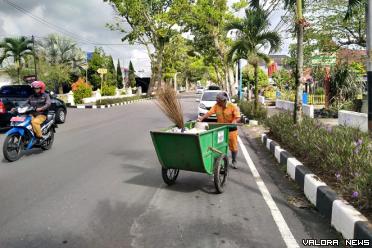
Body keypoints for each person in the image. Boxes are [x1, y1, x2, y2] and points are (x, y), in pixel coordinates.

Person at [197, 92, 241, 169]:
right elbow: (209, 112)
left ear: (224, 101)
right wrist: (201, 118)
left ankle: (234, 160)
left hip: (231, 129)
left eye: (219, 101)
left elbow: (238, 117)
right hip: (221, 129)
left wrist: (233, 122)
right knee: (219, 145)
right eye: (217, 101)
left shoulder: (232, 106)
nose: (217, 103)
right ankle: (221, 161)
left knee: (233, 147)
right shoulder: (216, 106)